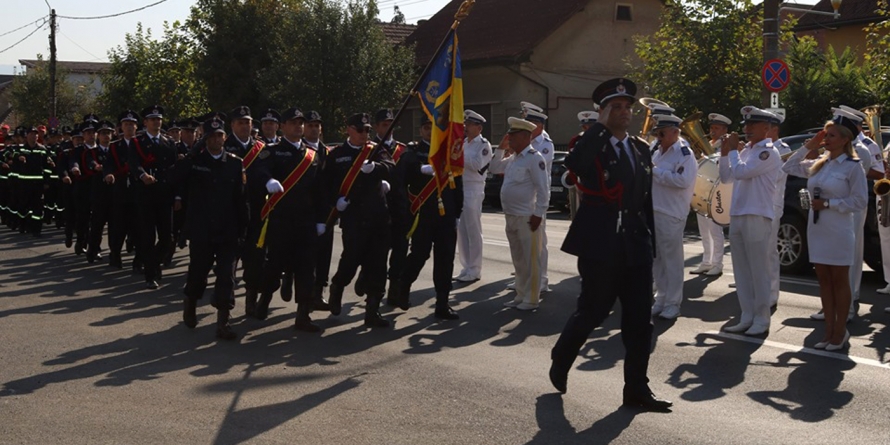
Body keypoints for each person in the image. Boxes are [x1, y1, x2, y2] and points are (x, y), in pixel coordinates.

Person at [549, 78, 671, 411]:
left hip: (634, 243)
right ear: (602, 112)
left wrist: (652, 245)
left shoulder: (640, 148)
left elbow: (644, 201)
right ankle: (562, 356)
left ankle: (636, 390)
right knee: (594, 310)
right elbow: (574, 166)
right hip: (600, 242)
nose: (624, 112)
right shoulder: (592, 143)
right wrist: (599, 129)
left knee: (639, 320)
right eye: (615, 107)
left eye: (627, 107)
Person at [782, 113, 867, 350]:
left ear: (844, 140)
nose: (825, 139)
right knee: (823, 281)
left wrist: (829, 204)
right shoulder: (820, 164)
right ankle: (829, 331)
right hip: (817, 229)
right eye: (825, 135)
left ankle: (840, 331)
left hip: (839, 230)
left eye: (830, 135)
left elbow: (859, 201)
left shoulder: (853, 166)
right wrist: (809, 145)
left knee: (839, 281)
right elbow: (787, 166)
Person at [172, 116, 247, 340]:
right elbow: (174, 177)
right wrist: (193, 153)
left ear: (225, 137)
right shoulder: (195, 162)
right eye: (211, 136)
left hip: (227, 231)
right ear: (204, 139)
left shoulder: (235, 163)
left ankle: (223, 322)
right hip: (202, 230)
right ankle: (191, 302)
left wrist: (243, 230)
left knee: (227, 277)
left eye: (219, 135)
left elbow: (242, 200)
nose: (216, 140)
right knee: (198, 274)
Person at [254, 107, 327, 331]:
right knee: (275, 265)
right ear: (283, 126)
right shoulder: (273, 151)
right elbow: (259, 169)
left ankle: (303, 315)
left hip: (305, 221)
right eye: (293, 123)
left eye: (300, 123)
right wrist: (268, 180)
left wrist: (321, 219)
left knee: (307, 268)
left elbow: (320, 190)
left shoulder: (312, 155)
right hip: (282, 219)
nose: (298, 126)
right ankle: (264, 300)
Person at [322, 113, 395, 328]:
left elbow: (391, 167)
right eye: (361, 130)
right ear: (349, 130)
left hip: (378, 216)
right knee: (351, 260)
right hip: (354, 218)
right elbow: (326, 185)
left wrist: (377, 169)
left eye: (368, 130)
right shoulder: (337, 155)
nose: (365, 134)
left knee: (378, 264)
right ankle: (337, 287)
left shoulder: (376, 149)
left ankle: (372, 310)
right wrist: (336, 202)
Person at [718, 106, 782, 336]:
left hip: (757, 214)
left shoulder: (768, 152)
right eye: (746, 125)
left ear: (767, 129)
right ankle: (746, 315)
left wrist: (734, 151)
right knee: (741, 270)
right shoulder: (745, 152)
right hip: (738, 213)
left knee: (759, 270)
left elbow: (742, 172)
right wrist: (726, 153)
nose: (747, 129)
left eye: (752, 125)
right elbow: (726, 177)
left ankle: (762, 318)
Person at [396, 116, 463, 320]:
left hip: (446, 214)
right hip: (423, 214)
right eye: (426, 128)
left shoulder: (449, 153)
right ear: (421, 130)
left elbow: (458, 185)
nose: (430, 132)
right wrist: (419, 169)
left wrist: (458, 213)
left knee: (445, 259)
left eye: (434, 128)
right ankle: (403, 287)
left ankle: (442, 303)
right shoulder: (413, 152)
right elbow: (400, 176)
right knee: (419, 255)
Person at [488, 117, 549, 311]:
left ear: (524, 137)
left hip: (527, 217)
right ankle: (521, 294)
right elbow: (494, 167)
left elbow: (543, 189)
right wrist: (500, 148)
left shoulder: (534, 158)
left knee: (532, 260)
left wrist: (538, 214)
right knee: (519, 259)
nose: (509, 139)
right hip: (511, 215)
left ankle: (531, 299)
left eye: (512, 136)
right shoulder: (514, 158)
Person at [649, 114, 697, 320]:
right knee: (657, 259)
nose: (658, 137)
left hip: (671, 213)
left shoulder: (685, 154)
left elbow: (682, 181)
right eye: (657, 133)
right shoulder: (655, 150)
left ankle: (673, 303)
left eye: (662, 133)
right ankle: (660, 299)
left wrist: (655, 172)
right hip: (654, 209)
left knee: (672, 261)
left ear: (675, 132)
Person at [129, 105, 178, 289]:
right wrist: (143, 176)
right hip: (146, 194)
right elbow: (134, 164)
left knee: (167, 238)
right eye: (152, 119)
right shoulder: (137, 143)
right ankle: (150, 275)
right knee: (148, 236)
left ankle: (153, 263)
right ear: (146, 122)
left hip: (164, 195)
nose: (156, 122)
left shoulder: (169, 143)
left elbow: (174, 170)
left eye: (159, 119)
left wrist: (177, 195)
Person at [224, 106, 268, 316]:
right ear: (232, 125)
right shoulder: (222, 146)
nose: (244, 126)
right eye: (240, 122)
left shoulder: (262, 148)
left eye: (248, 122)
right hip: (231, 212)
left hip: (256, 211)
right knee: (229, 263)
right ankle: (225, 305)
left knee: (255, 259)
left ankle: (251, 300)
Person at [371, 108, 411, 306]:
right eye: (385, 124)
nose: (389, 128)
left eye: (391, 124)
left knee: (400, 248)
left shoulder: (404, 149)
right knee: (378, 250)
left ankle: (394, 287)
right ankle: (367, 279)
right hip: (379, 206)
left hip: (400, 206)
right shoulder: (370, 149)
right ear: (377, 127)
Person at [691, 113, 731, 276]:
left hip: (719, 191)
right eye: (711, 128)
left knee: (715, 230)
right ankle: (706, 261)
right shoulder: (706, 144)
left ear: (724, 130)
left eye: (716, 128)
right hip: (703, 191)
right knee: (704, 230)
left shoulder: (727, 145)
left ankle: (717, 263)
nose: (712, 131)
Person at [455, 109, 492, 282]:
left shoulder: (483, 145)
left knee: (473, 229)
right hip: (461, 186)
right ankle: (466, 266)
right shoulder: (463, 143)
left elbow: (478, 164)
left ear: (479, 127)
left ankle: (475, 268)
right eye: (466, 124)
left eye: (469, 125)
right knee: (461, 229)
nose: (466, 127)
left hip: (474, 189)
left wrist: (458, 158)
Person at [302, 110, 333, 311]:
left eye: (316, 125)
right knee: (304, 256)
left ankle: (318, 292)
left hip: (326, 211)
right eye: (310, 125)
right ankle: (295, 284)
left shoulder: (329, 152)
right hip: (304, 211)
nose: (314, 129)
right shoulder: (300, 150)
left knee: (324, 255)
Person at [104, 111, 140, 270]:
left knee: (139, 226)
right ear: (121, 128)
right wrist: (109, 174)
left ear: (137, 127)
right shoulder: (115, 146)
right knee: (118, 226)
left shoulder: (141, 144)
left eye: (132, 124)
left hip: (138, 190)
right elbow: (108, 164)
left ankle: (138, 260)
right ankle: (115, 254)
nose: (129, 127)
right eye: (126, 124)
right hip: (120, 191)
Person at [524, 108, 553, 293]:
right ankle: (526, 277)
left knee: (539, 241)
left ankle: (541, 279)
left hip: (538, 196)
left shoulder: (545, 144)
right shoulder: (526, 142)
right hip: (525, 196)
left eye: (530, 123)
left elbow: (535, 164)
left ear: (539, 125)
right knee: (525, 240)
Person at [766, 114, 792, 309]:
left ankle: (772, 293)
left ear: (775, 129)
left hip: (772, 204)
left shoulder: (784, 150)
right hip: (756, 204)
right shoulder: (756, 148)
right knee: (755, 252)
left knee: (769, 252)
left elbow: (776, 175)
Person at [86, 121, 117, 262]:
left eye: (108, 133)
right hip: (99, 193)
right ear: (98, 136)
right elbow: (91, 164)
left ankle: (114, 252)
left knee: (115, 226)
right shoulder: (92, 152)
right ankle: (93, 251)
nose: (106, 136)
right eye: (103, 133)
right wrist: (98, 167)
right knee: (97, 225)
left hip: (114, 192)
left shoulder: (116, 150)